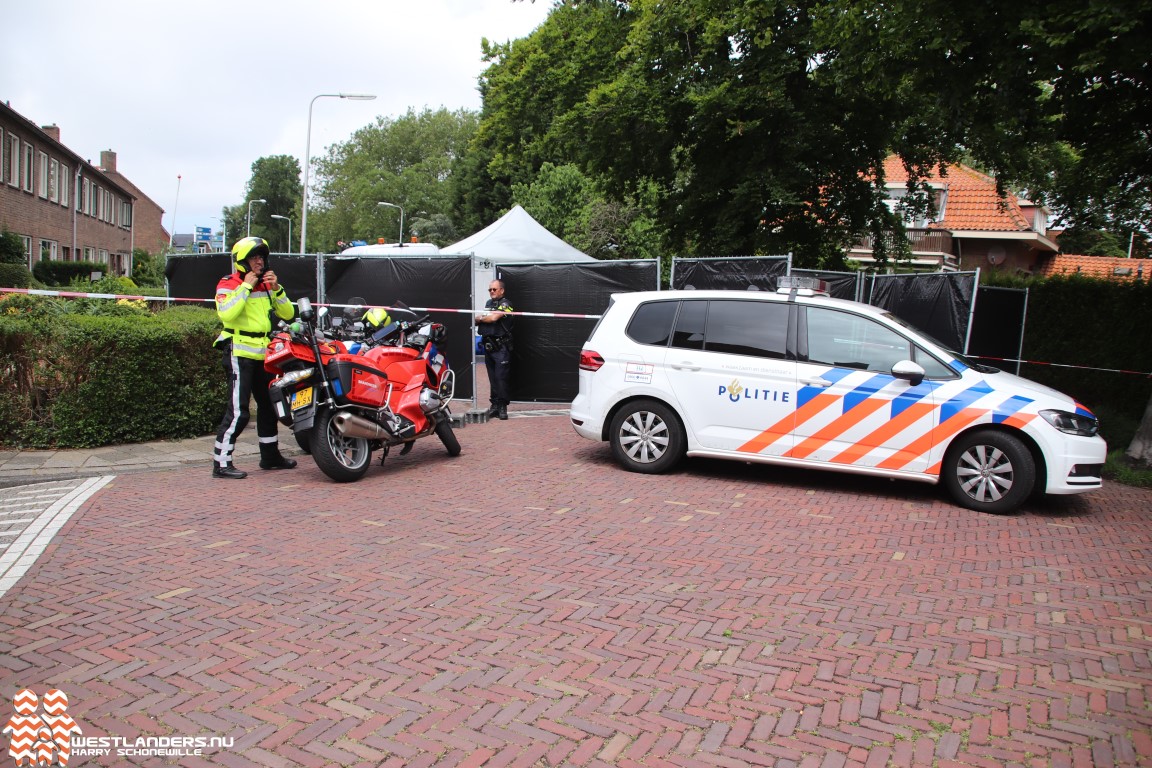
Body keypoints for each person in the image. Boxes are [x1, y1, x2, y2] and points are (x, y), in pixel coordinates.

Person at [211, 237, 298, 479]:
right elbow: (227, 315)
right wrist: (246, 287)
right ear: (242, 262)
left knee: (269, 407)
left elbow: (289, 313)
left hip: (263, 353)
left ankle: (270, 457)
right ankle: (221, 463)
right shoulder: (229, 283)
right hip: (239, 352)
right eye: (254, 258)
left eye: (261, 257)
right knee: (239, 411)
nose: (259, 262)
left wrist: (277, 289)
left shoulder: (267, 285)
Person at [475, 279, 514, 420]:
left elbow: (493, 318)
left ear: (501, 290)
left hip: (501, 347)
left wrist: (483, 318)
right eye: (490, 289)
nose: (491, 292)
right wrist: (483, 317)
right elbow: (476, 319)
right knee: (492, 378)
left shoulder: (506, 304)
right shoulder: (489, 304)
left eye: (494, 289)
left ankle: (503, 407)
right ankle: (495, 406)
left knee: (501, 377)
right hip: (488, 346)